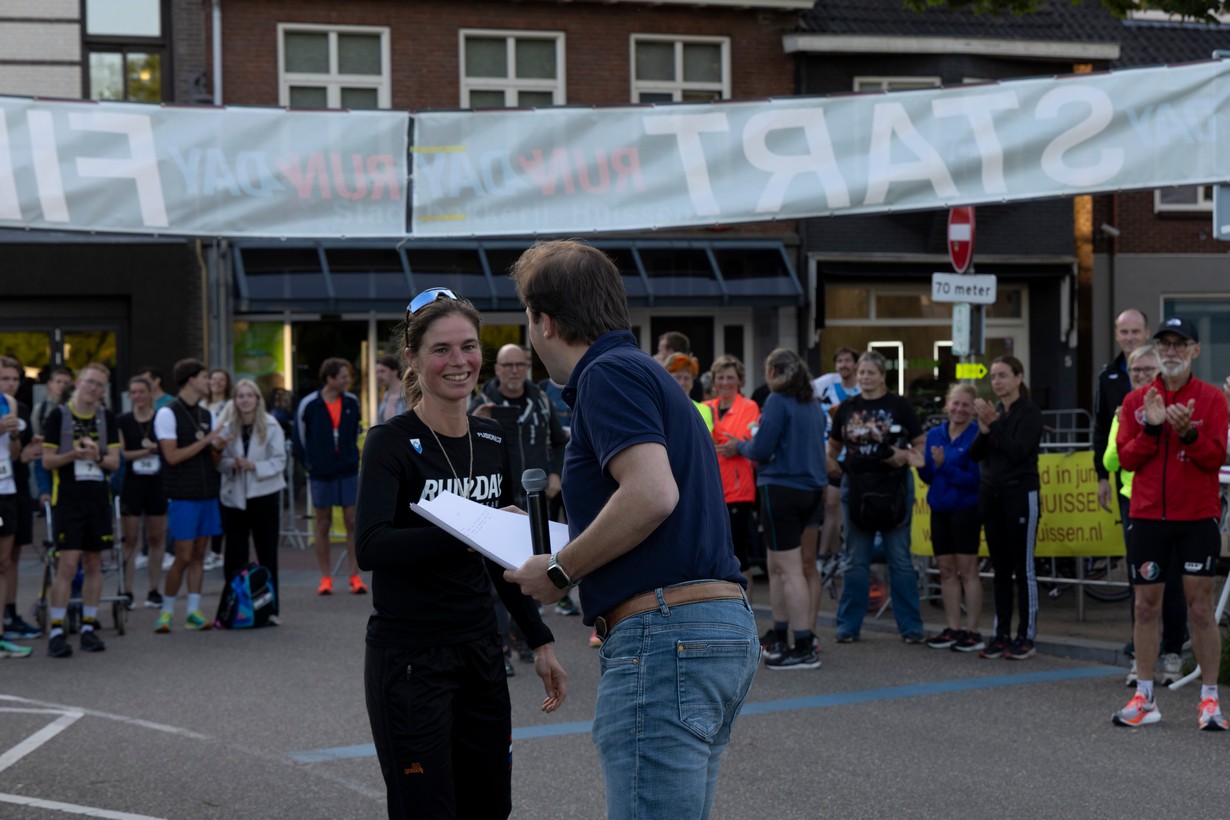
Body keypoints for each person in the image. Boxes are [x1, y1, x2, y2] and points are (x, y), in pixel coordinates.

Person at [504, 240, 757, 820]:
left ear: (544, 320)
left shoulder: (607, 375)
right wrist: (555, 539)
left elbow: (651, 494)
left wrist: (562, 570)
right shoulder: (643, 372)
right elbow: (653, 507)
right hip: (706, 624)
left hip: (665, 632)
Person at [356, 286, 567, 818]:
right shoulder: (390, 442)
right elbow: (370, 545)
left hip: (480, 652)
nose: (459, 362)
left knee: (490, 806)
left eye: (468, 346)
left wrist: (540, 639)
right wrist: (475, 524)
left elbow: (500, 559)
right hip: (410, 659)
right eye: (441, 349)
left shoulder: (493, 440)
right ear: (413, 358)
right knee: (427, 810)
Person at [1113, 317, 1229, 730]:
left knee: (1200, 609)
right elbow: (1125, 459)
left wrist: (1188, 435)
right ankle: (1145, 696)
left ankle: (1210, 701)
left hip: (1197, 517)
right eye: (1165, 345)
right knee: (1145, 608)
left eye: (1181, 345)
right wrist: (1151, 426)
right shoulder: (1136, 402)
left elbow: (1215, 459)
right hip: (1147, 516)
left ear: (1195, 350)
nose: (1172, 352)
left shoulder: (1213, 399)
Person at [721, 348, 825, 670]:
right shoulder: (813, 404)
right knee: (780, 566)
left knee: (789, 570)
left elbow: (762, 447)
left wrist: (740, 446)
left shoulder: (778, 401)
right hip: (812, 489)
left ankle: (804, 644)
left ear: (773, 372)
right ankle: (781, 635)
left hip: (782, 489)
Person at [470, 343, 573, 626]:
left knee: (533, 566)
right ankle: (501, 640)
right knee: (498, 572)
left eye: (519, 365)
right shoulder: (481, 403)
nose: (514, 371)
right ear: (498, 369)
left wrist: (555, 474)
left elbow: (560, 441)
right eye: (508, 365)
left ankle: (527, 638)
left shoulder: (540, 399)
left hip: (536, 498)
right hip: (499, 498)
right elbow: (462, 450)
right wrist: (475, 424)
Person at [827, 350, 925, 643]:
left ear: (883, 375)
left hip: (894, 488)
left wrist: (905, 456)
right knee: (855, 560)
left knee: (900, 560)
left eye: (871, 372)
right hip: (856, 488)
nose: (865, 378)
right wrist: (830, 462)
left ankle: (911, 627)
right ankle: (848, 625)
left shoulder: (899, 406)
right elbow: (832, 446)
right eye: (861, 373)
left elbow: (920, 445)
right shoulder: (847, 407)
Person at [41, 362, 121, 657]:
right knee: (67, 564)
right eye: (89, 382)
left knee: (93, 564)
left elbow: (114, 461)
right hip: (69, 499)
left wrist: (96, 455)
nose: (93, 389)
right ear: (78, 382)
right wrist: (75, 453)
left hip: (98, 499)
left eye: (99, 385)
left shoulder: (106, 418)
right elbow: (47, 461)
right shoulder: (58, 416)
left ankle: (88, 625)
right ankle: (58, 629)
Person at [969, 356, 1043, 661]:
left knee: (1022, 567)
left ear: (1018, 377)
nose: (997, 381)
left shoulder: (1029, 412)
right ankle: (1001, 633)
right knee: (1000, 568)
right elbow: (975, 455)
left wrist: (995, 425)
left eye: (1003, 375)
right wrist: (985, 430)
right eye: (993, 376)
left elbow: (1018, 452)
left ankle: (1025, 635)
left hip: (1019, 494)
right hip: (992, 495)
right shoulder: (996, 412)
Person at [153, 358, 228, 633]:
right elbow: (171, 456)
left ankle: (193, 611)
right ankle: (166, 611)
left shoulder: (205, 414)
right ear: (190, 380)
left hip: (207, 491)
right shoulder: (167, 413)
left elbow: (208, 455)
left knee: (199, 553)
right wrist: (207, 441)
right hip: (182, 494)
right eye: (205, 377)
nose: (209, 382)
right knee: (183, 555)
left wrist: (218, 447)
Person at [918, 383, 984, 652]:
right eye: (955, 403)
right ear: (946, 404)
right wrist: (921, 464)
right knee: (945, 570)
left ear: (973, 409)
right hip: (939, 508)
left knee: (968, 570)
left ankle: (973, 630)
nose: (959, 409)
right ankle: (953, 627)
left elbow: (976, 480)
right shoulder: (935, 434)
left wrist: (945, 467)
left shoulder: (977, 435)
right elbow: (928, 476)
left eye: (965, 404)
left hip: (966, 508)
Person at [293, 358, 366, 596]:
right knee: (322, 523)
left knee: (352, 522)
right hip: (320, 473)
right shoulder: (309, 404)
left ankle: (354, 576)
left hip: (347, 470)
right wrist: (312, 464)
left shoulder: (352, 402)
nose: (348, 380)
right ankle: (325, 578)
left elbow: (355, 430)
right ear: (330, 378)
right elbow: (300, 439)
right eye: (343, 376)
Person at [217, 379, 286, 625]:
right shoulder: (226, 427)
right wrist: (232, 465)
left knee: (267, 551)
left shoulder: (270, 425)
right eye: (240, 396)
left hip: (264, 494)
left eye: (249, 395)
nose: (245, 400)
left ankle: (270, 609)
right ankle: (232, 605)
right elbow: (219, 461)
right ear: (234, 400)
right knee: (234, 553)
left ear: (258, 399)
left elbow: (280, 461)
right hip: (234, 497)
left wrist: (253, 466)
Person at [116, 375, 169, 611]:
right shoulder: (123, 421)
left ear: (150, 394)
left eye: (141, 392)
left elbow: (169, 449)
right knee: (130, 538)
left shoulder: (161, 419)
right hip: (132, 484)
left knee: (157, 537)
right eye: (133, 392)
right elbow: (120, 455)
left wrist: (156, 449)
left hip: (157, 482)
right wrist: (143, 453)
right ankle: (126, 590)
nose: (138, 396)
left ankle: (154, 589)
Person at [706, 354, 761, 571]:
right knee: (712, 554)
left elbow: (740, 439)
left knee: (739, 555)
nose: (725, 383)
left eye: (730, 377)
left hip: (739, 490)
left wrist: (726, 442)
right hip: (711, 488)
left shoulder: (749, 406)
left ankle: (746, 604)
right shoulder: (706, 406)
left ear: (740, 381)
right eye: (720, 378)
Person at [0, 357, 41, 642]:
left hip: (15, 488)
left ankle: (10, 613)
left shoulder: (18, 407)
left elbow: (15, 453)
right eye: (5, 379)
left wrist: (24, 448)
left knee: (10, 558)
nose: (10, 384)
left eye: (15, 379)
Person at [813, 347, 861, 571]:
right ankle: (824, 556)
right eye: (840, 361)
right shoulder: (829, 391)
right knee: (831, 506)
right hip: (833, 456)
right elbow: (823, 422)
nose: (843, 365)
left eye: (847, 361)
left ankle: (848, 553)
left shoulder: (863, 391)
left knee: (853, 508)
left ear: (856, 365)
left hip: (857, 457)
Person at [663, 352, 714, 432]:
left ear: (692, 383)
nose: (682, 383)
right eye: (678, 377)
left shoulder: (704, 410)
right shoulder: (659, 406)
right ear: (667, 378)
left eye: (686, 378)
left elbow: (702, 439)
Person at [374, 354, 406, 423]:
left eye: (382, 371)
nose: (379, 376)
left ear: (394, 371)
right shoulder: (386, 396)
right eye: (377, 372)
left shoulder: (408, 394)